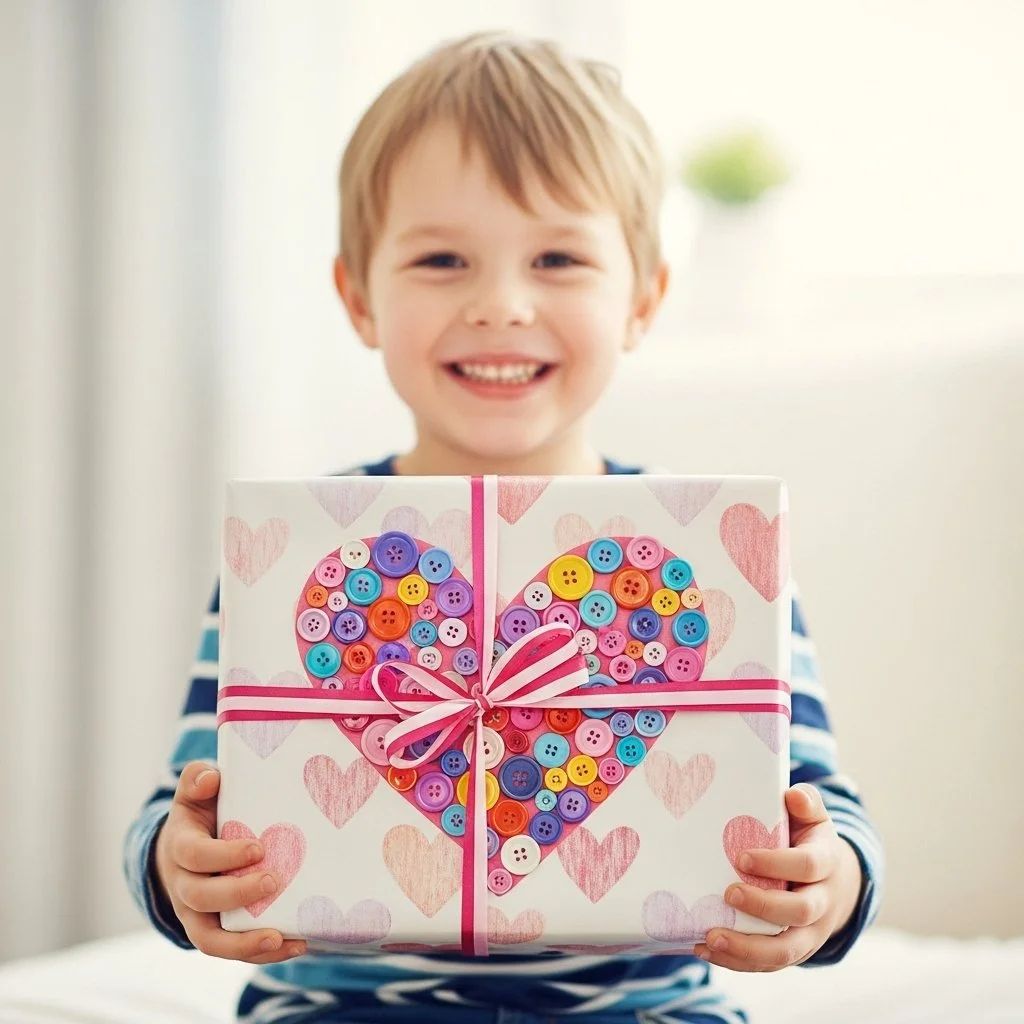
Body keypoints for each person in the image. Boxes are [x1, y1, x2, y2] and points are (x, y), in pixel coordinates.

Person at [124, 30, 883, 1024]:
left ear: (642, 300)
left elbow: (823, 807)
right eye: (442, 259)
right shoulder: (304, 556)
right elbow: (186, 798)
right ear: (357, 296)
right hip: (342, 1009)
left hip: (643, 1008)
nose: (501, 304)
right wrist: (178, 865)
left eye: (558, 257)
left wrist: (825, 884)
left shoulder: (710, 560)